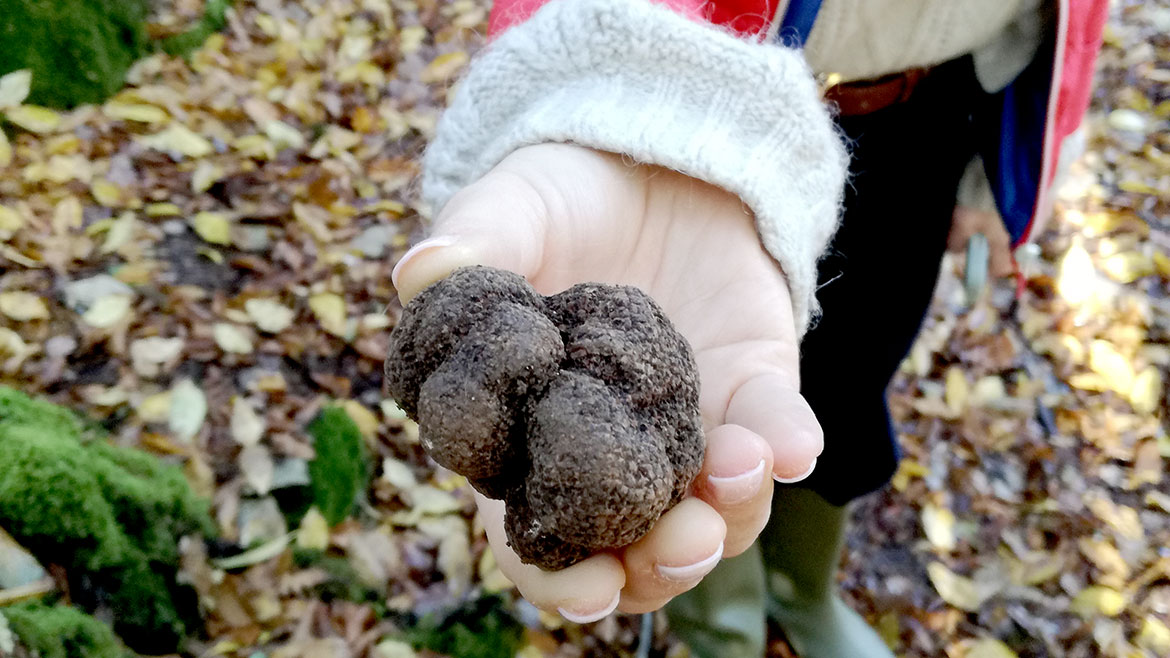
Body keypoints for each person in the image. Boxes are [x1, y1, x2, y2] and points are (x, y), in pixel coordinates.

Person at [390, 1, 1108, 655]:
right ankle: (719, 626)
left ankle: (804, 595)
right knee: (718, 426)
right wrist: (603, 102)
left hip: (931, 119)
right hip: (697, 106)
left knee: (843, 389)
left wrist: (1010, 166)